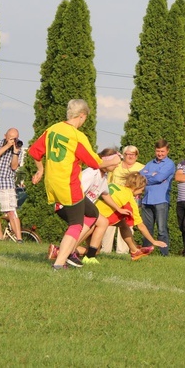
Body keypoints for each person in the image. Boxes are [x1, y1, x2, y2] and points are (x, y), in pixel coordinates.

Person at [29, 99, 121, 270]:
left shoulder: (53, 129)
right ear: (82, 115)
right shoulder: (77, 136)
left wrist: (40, 170)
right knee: (76, 224)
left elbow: (34, 152)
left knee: (92, 213)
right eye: (85, 118)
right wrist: (114, 160)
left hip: (52, 183)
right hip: (68, 184)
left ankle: (69, 252)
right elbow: (95, 163)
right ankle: (59, 262)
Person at [96, 172, 167, 259]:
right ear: (137, 187)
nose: (141, 192)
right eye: (142, 190)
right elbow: (140, 225)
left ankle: (135, 251)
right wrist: (153, 241)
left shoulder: (113, 184)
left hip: (87, 211)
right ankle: (74, 252)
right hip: (92, 220)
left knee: (123, 223)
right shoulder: (129, 199)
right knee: (94, 251)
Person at [101, 145, 144, 254]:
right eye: (127, 154)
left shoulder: (142, 168)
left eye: (133, 154)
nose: (130, 156)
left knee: (126, 224)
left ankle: (122, 251)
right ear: (123, 155)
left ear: (137, 156)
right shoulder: (117, 165)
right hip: (113, 198)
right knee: (108, 225)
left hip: (129, 200)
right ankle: (105, 250)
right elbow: (109, 180)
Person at [139, 139, 175, 256]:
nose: (160, 154)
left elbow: (159, 178)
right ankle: (146, 252)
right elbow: (140, 176)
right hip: (147, 200)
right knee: (147, 229)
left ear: (167, 151)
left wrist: (148, 176)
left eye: (162, 151)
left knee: (161, 229)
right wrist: (152, 175)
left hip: (161, 200)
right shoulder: (150, 163)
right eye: (158, 151)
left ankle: (164, 254)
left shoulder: (169, 164)